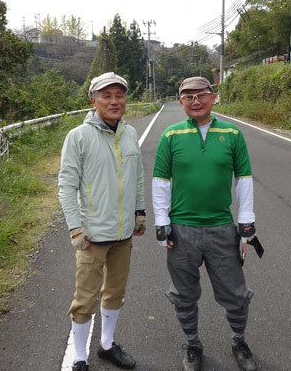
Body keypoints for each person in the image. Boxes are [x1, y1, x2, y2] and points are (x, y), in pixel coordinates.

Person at [152, 76, 259, 371]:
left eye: (201, 95)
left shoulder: (233, 133)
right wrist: (161, 222)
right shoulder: (170, 135)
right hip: (181, 230)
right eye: (188, 96)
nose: (195, 101)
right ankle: (193, 344)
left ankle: (239, 340)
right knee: (184, 294)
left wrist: (246, 220)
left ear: (214, 97)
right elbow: (160, 181)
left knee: (236, 294)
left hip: (222, 228)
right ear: (180, 101)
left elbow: (244, 178)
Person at [59, 72, 146, 371]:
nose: (113, 101)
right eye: (106, 96)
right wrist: (75, 226)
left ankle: (107, 345)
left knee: (115, 292)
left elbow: (137, 176)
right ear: (93, 99)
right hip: (92, 235)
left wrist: (140, 211)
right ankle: (80, 356)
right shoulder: (78, 137)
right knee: (85, 298)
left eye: (119, 95)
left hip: (123, 234)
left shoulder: (130, 134)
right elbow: (67, 185)